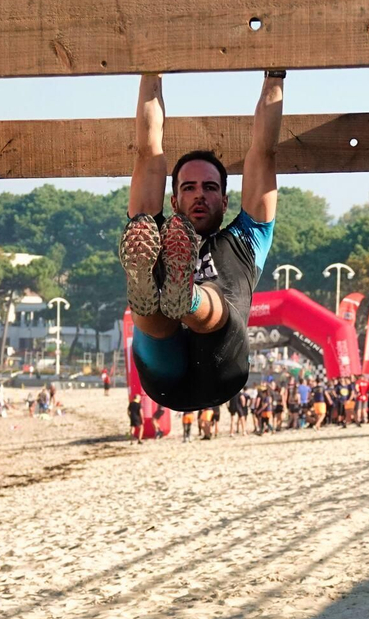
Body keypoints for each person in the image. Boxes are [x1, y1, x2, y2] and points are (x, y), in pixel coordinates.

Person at [118, 70, 283, 413]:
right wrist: (151, 69)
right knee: (152, 308)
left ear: (225, 201)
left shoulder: (247, 238)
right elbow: (148, 150)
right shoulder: (151, 235)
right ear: (174, 201)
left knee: (205, 303)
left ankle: (186, 295)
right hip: (163, 375)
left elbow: (263, 152)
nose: (199, 196)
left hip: (222, 368)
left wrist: (275, 74)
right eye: (188, 187)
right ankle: (151, 289)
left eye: (210, 188)